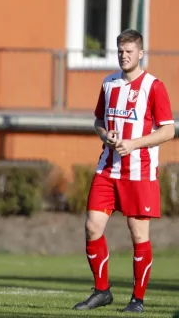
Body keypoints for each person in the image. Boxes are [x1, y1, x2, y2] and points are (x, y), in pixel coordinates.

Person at [73, 29, 175, 313]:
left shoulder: (154, 86)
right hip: (107, 169)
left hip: (139, 172)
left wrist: (134, 144)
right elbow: (97, 121)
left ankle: (137, 300)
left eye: (129, 52)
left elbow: (168, 130)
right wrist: (106, 137)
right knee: (93, 226)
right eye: (120, 51)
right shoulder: (108, 83)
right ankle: (102, 291)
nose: (124, 56)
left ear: (140, 54)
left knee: (138, 234)